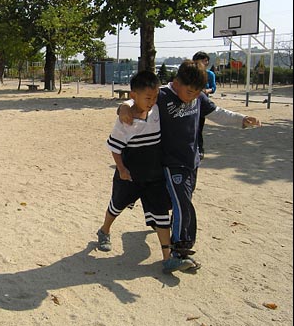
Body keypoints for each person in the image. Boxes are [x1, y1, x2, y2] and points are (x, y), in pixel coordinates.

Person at [117, 60, 261, 270]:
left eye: (197, 93)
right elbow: (138, 101)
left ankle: (162, 226)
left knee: (177, 203)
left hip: (192, 159)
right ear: (176, 83)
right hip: (171, 162)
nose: (193, 96)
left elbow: (217, 113)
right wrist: (123, 107)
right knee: (183, 204)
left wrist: (241, 119)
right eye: (190, 91)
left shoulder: (198, 97)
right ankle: (178, 252)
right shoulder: (163, 95)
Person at [98, 70, 195, 273]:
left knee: (161, 214)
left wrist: (126, 104)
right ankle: (104, 230)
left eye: (155, 97)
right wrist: (122, 169)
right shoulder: (126, 121)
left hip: (154, 176)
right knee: (116, 205)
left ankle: (168, 258)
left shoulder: (157, 110)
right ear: (134, 96)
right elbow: (115, 149)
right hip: (130, 176)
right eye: (148, 98)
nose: (152, 101)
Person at [192, 51, 217, 160]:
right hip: (190, 102)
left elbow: (213, 88)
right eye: (202, 60)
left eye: (206, 61)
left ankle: (200, 149)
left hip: (202, 103)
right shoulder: (190, 72)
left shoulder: (210, 74)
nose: (205, 63)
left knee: (199, 127)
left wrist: (206, 90)